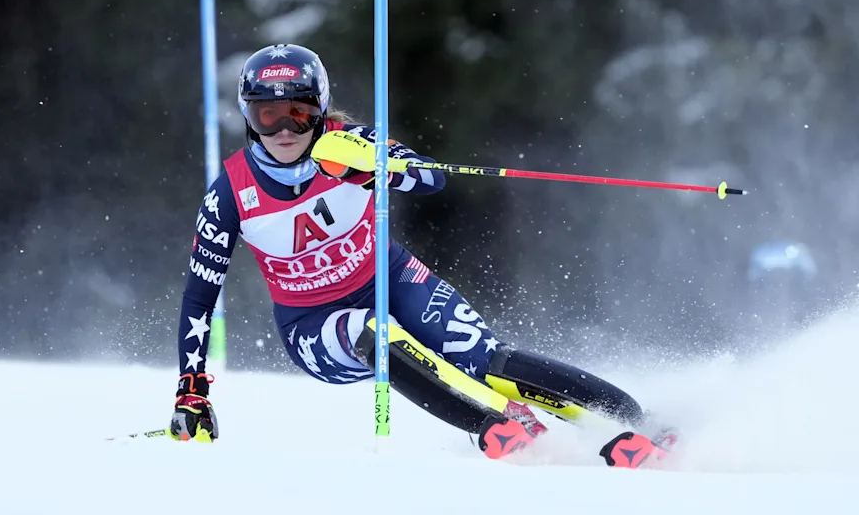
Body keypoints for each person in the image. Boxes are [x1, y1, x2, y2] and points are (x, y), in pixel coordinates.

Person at [168, 43, 660, 464]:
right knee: (373, 331)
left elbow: (432, 177)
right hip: (312, 324)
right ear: (248, 116)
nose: (284, 129)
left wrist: (378, 169)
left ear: (320, 108)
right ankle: (499, 427)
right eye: (267, 114)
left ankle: (636, 422)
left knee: (483, 359)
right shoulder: (230, 193)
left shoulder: (353, 144)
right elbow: (200, 296)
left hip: (392, 278)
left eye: (299, 112)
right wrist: (192, 388)